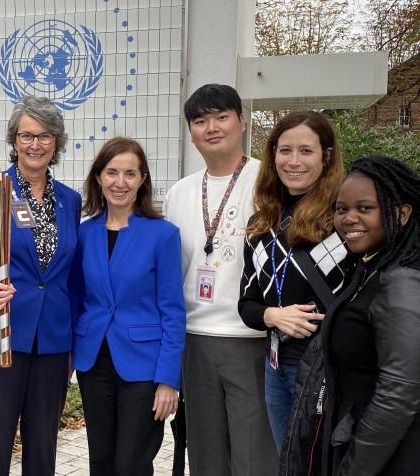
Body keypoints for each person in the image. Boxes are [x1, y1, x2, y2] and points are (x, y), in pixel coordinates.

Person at [0, 95, 82, 476]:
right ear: (13, 140)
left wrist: (75, 340)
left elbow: (70, 275)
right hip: (2, 336)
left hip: (53, 340)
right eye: (27, 135)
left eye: (45, 136)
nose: (35, 144)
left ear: (57, 143)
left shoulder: (70, 201)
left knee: (43, 446)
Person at [163, 83, 277, 475]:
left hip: (250, 340)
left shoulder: (269, 182)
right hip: (194, 341)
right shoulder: (179, 193)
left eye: (222, 116)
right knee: (206, 455)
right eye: (200, 120)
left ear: (242, 122)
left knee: (254, 455)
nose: (211, 127)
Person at [71, 137, 186, 475]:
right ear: (98, 178)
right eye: (112, 172)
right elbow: (77, 300)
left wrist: (169, 380)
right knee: (102, 461)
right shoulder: (83, 234)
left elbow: (173, 311)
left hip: (144, 366)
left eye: (130, 174)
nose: (120, 182)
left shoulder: (162, 235)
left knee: (131, 464)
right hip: (94, 363)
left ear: (142, 180)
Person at [239, 111, 352, 450]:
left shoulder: (344, 221)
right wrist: (272, 316)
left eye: (306, 150)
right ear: (272, 156)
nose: (294, 161)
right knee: (288, 463)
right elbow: (247, 304)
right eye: (284, 150)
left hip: (327, 373)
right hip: (276, 369)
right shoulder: (262, 223)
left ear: (326, 156)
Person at [320, 155, 420, 475]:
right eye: (342, 209)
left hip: (386, 459)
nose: (350, 218)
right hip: (359, 442)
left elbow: (398, 396)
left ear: (402, 214)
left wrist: (353, 469)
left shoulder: (401, 281)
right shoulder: (369, 267)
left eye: (365, 208)